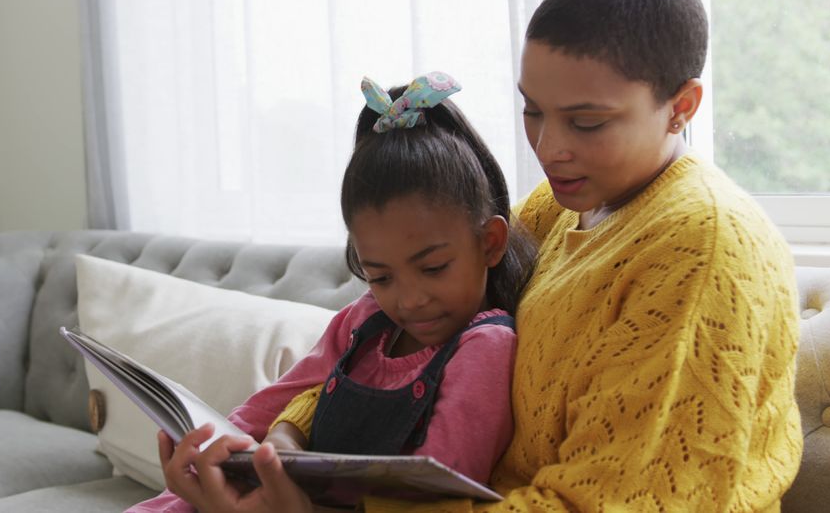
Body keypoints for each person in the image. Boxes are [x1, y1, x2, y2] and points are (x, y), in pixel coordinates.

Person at [153, 0, 804, 512]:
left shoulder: (701, 247)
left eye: (586, 122)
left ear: (682, 107)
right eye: (532, 110)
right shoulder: (559, 207)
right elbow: (398, 340)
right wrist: (283, 448)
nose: (549, 149)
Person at [129, 71, 538, 512]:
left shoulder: (485, 346)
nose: (410, 299)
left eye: (434, 268)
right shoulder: (362, 322)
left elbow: (436, 488)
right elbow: (271, 406)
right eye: (381, 277)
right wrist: (214, 447)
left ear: (489, 243)